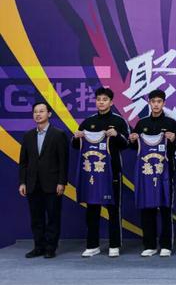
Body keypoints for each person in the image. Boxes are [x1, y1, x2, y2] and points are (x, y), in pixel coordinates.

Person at [72, 87, 130, 258]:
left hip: (112, 172)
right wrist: (76, 137)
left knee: (113, 209)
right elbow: (75, 146)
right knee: (92, 208)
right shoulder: (88, 122)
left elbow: (127, 143)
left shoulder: (118, 121)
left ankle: (114, 245)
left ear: (111, 102)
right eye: (98, 99)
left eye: (105, 99)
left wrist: (117, 135)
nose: (101, 102)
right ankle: (92, 245)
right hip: (92, 173)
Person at [128, 89, 176, 257]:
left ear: (164, 103)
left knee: (165, 208)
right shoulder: (142, 123)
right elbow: (133, 147)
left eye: (159, 101)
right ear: (149, 103)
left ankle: (166, 245)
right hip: (145, 173)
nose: (156, 104)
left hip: (165, 172)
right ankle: (149, 245)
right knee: (147, 208)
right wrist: (132, 139)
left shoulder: (171, 123)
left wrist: (174, 139)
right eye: (153, 101)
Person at [18, 101, 69, 258]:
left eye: (41, 111)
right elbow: (23, 162)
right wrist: (22, 182)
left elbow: (63, 161)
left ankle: (50, 248)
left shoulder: (58, 134)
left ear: (49, 114)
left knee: (53, 217)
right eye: (35, 112)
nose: (38, 114)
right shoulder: (28, 136)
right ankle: (38, 247)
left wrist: (61, 182)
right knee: (36, 218)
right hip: (32, 183)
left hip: (52, 183)